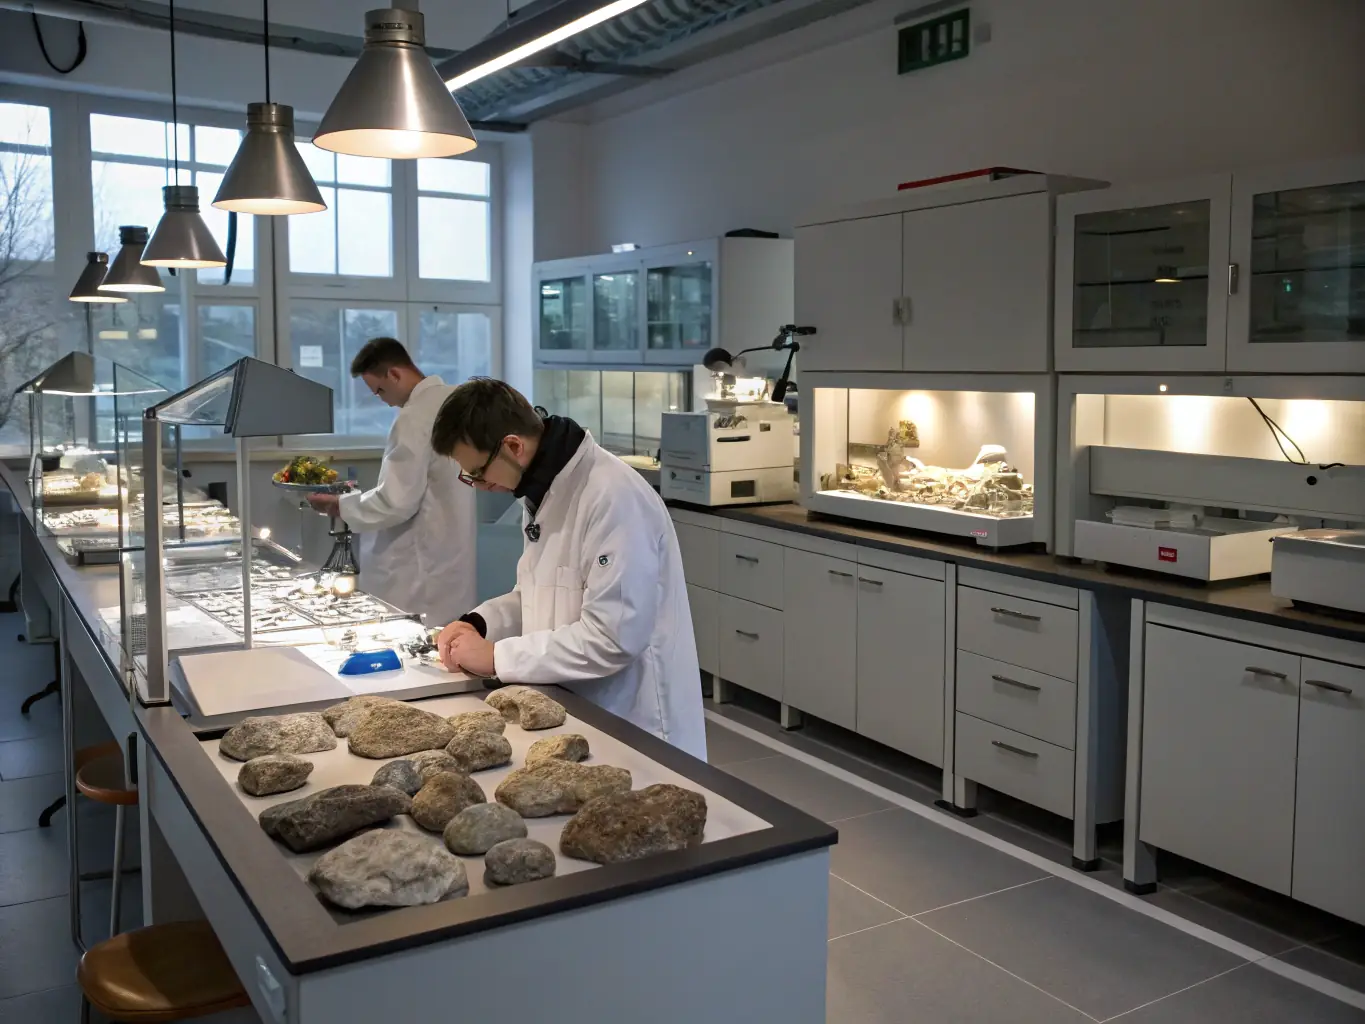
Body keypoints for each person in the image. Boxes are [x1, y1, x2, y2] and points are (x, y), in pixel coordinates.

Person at [430, 378, 706, 761]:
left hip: (633, 721)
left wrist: (496, 657)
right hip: (572, 705)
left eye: (477, 471)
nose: (476, 485)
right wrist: (479, 623)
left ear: (513, 446)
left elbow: (612, 638)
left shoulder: (612, 495)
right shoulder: (545, 488)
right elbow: (539, 591)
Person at [307, 338, 476, 626]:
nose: (382, 399)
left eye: (380, 390)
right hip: (453, 554)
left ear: (395, 374)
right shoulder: (456, 402)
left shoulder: (413, 416)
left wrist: (340, 506)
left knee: (413, 645)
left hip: (417, 567)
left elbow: (396, 501)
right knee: (449, 642)